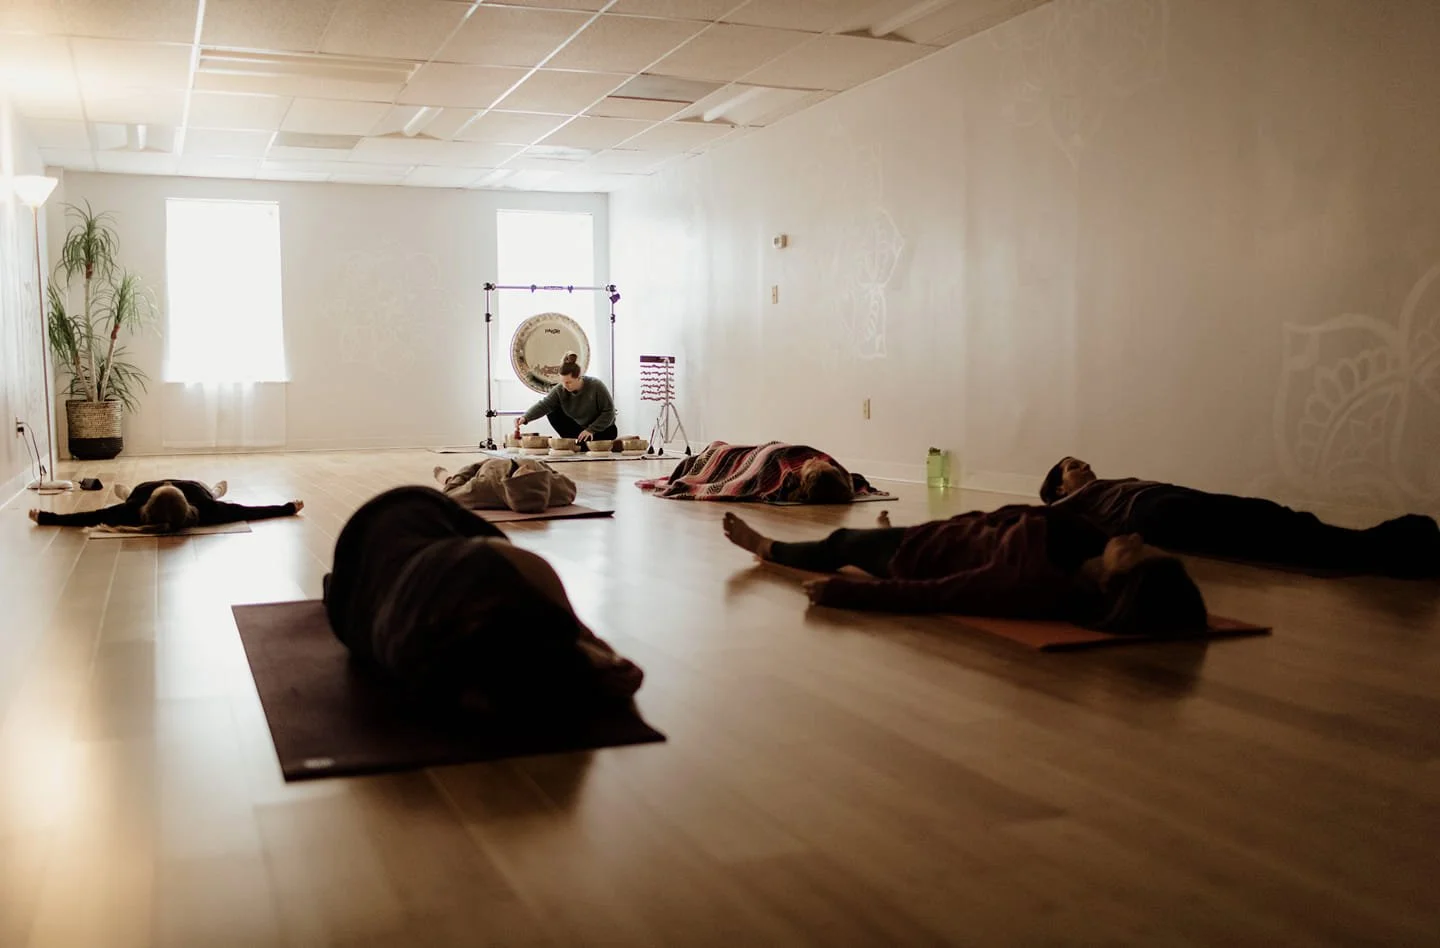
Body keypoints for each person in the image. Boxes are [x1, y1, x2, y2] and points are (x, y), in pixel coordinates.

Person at [323, 486, 642, 716]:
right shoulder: (465, 556)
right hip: (377, 616)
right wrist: (589, 641)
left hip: (404, 571)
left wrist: (591, 645)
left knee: (505, 578)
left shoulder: (425, 658)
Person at [721, 505, 1210, 636]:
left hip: (914, 557)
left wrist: (847, 594)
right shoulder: (1094, 544)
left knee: (841, 544)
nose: (1138, 541)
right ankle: (884, 528)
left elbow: (942, 593)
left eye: (1138, 554)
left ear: (1113, 582)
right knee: (869, 538)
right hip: (951, 531)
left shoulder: (1031, 582)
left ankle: (765, 545)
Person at [1040, 457, 1440, 578]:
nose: (1086, 465)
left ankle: (1377, 545)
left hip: (1172, 497)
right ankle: (1380, 548)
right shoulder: (1064, 507)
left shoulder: (1109, 483)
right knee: (1257, 534)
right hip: (1152, 512)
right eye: (1075, 466)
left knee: (1268, 516)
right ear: (1060, 486)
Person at [638, 440, 881, 503]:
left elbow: (758, 473)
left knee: (715, 454)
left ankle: (710, 456)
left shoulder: (786, 480)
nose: (817, 459)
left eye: (816, 464)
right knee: (721, 449)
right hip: (764, 452)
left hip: (756, 460)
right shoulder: (836, 475)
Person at [29, 479, 302, 531]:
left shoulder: (135, 510)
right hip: (199, 489)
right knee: (214, 495)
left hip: (139, 491)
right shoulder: (204, 509)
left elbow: (89, 517)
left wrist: (48, 518)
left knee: (126, 498)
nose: (169, 482)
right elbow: (247, 511)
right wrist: (287, 508)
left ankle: (124, 491)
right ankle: (217, 489)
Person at [514, 351, 618, 449]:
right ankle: (576, 443)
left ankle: (582, 444)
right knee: (552, 411)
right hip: (580, 430)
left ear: (578, 377)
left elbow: (609, 412)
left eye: (568, 382)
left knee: (602, 437)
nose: (565, 385)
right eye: (562, 382)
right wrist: (525, 417)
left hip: (601, 430)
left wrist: (591, 430)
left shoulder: (596, 386)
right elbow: (544, 405)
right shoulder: (561, 389)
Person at [433, 458, 577, 513]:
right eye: (534, 474)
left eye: (525, 474)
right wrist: (541, 467)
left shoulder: (482, 489)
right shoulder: (557, 490)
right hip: (532, 463)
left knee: (450, 482)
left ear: (514, 483)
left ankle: (445, 476)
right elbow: (570, 486)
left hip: (483, 467)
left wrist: (458, 477)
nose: (527, 468)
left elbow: (449, 495)